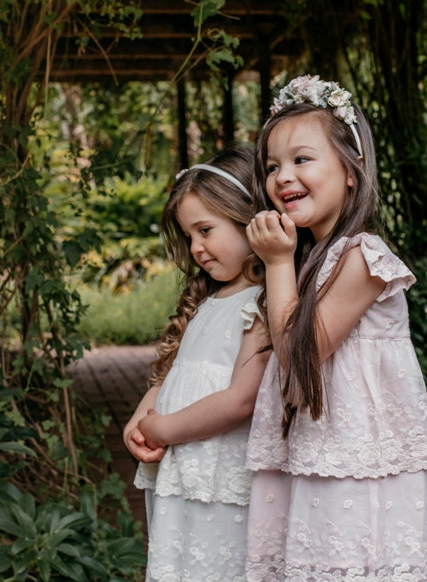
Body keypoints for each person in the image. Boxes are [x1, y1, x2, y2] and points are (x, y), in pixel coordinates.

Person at [244, 74, 427, 581]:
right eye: (272, 166)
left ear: (352, 169)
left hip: (356, 458)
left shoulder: (364, 257)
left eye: (302, 159)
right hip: (317, 451)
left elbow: (299, 352)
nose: (282, 177)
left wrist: (277, 263)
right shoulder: (313, 258)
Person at [123, 145, 270, 582]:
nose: (196, 248)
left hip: (218, 474)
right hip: (180, 471)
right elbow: (175, 375)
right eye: (189, 236)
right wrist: (142, 416)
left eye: (205, 230)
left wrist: (163, 429)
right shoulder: (208, 298)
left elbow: (241, 400)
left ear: (248, 216)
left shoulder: (262, 302)